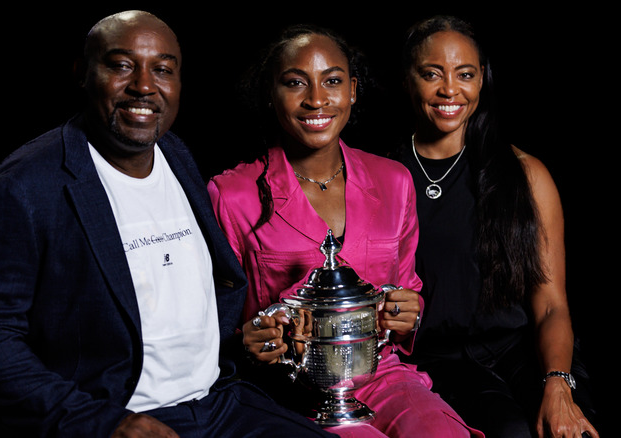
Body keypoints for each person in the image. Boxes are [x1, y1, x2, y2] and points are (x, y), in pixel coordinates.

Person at [0, 10, 340, 438]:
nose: (143, 86)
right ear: (82, 73)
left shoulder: (174, 154)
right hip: (114, 416)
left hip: (217, 404)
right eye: (120, 65)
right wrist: (101, 423)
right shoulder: (25, 187)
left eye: (163, 70)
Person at [207, 24, 483, 438]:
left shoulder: (393, 181)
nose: (317, 99)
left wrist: (408, 311)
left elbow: (407, 291)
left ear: (352, 90)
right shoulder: (231, 194)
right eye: (295, 83)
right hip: (287, 388)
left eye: (332, 81)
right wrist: (245, 341)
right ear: (271, 92)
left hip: (379, 373)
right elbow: (213, 323)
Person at [393, 15, 600, 438]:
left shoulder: (525, 173)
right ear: (407, 79)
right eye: (432, 74)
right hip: (436, 361)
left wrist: (558, 382)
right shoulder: (381, 176)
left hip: (522, 351)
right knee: (512, 431)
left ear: (482, 80)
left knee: (568, 431)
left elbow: (551, 304)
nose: (450, 90)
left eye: (465, 74)